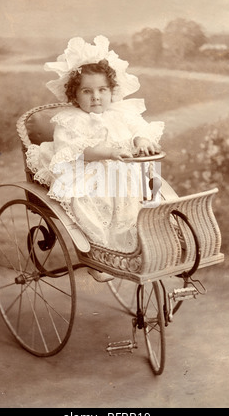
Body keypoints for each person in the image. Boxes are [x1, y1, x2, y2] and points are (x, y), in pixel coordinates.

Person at [26, 36, 164, 279]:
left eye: (102, 90)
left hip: (120, 169)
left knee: (141, 193)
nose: (96, 97)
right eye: (87, 91)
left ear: (112, 91)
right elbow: (77, 150)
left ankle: (137, 248)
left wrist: (140, 139)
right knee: (92, 198)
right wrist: (109, 152)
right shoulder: (70, 119)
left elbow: (138, 128)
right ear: (74, 95)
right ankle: (99, 255)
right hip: (86, 169)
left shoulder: (121, 113)